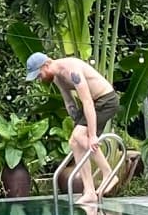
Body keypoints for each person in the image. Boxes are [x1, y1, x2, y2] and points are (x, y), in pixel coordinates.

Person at [25, 50, 119, 204]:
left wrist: (93, 135)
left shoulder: (71, 69)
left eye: (39, 74)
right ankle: (89, 191)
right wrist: (76, 121)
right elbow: (69, 102)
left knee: (81, 136)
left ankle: (108, 173)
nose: (39, 79)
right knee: (74, 142)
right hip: (93, 105)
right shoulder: (57, 78)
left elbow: (87, 101)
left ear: (46, 64)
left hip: (106, 101)